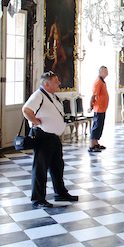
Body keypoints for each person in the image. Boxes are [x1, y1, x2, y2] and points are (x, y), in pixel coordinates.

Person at [22, 71, 78, 208]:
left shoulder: (52, 96)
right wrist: (36, 121)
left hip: (53, 137)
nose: (59, 83)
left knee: (57, 167)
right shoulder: (38, 96)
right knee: (40, 168)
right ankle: (38, 198)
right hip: (43, 136)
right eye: (56, 81)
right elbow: (26, 110)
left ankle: (60, 193)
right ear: (47, 84)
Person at [87, 65, 109, 153]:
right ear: (100, 72)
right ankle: (91, 145)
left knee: (100, 126)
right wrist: (90, 106)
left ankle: (96, 143)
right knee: (96, 126)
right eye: (105, 71)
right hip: (98, 108)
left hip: (102, 108)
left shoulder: (102, 81)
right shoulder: (98, 82)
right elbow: (93, 96)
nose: (107, 73)